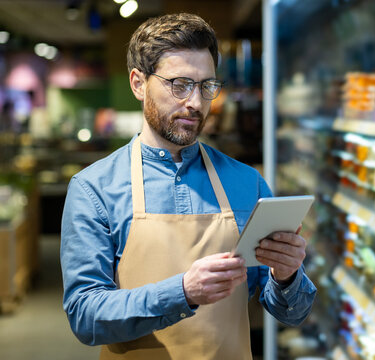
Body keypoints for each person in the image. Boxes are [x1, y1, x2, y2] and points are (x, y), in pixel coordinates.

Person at [60, 13, 316, 360]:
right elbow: (85, 317)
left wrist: (286, 276)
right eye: (180, 84)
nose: (195, 103)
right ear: (138, 83)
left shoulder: (247, 183)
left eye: (206, 86)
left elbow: (292, 312)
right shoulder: (94, 189)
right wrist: (182, 292)